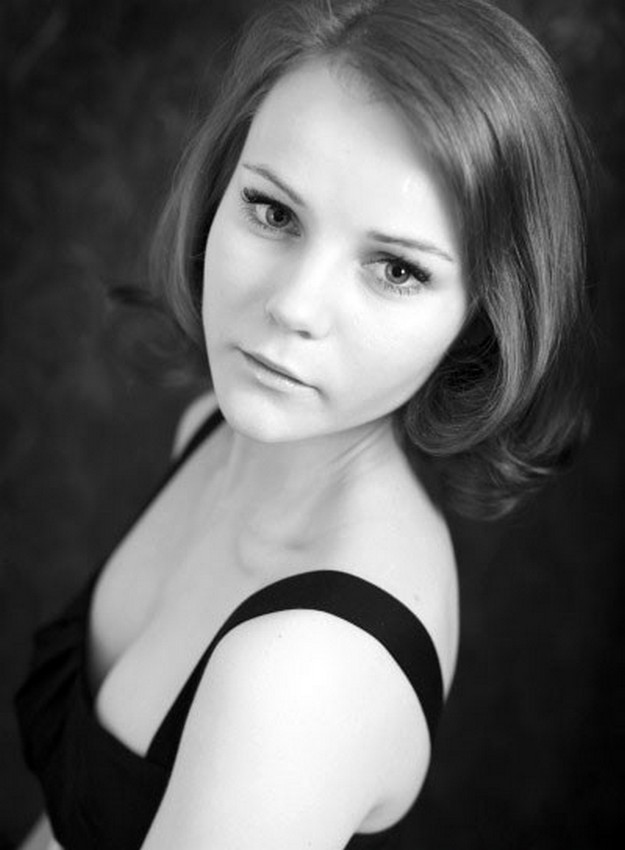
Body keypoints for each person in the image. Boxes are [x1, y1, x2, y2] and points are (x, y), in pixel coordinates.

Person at [15, 0, 594, 848]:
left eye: (395, 269)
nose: (292, 307)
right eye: (274, 212)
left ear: (481, 315)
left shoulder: (305, 671)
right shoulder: (212, 433)